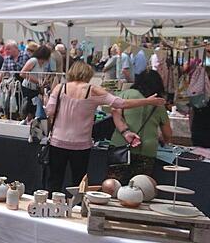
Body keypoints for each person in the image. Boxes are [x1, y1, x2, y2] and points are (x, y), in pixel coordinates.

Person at [45, 62, 165, 193]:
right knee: (79, 182)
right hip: (81, 145)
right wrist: (147, 101)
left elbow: (50, 111)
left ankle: (50, 208)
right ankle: (76, 209)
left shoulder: (59, 88)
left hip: (57, 141)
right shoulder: (93, 90)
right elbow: (120, 103)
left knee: (54, 180)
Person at [109, 70, 172, 182]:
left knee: (114, 184)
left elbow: (115, 113)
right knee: (139, 187)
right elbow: (167, 134)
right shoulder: (159, 104)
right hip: (146, 150)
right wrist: (162, 139)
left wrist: (125, 131)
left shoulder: (125, 95)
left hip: (121, 147)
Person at [19, 45, 52, 121]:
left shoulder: (43, 64)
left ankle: (30, 121)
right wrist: (37, 81)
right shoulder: (33, 61)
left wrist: (44, 81)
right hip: (28, 87)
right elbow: (22, 73)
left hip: (36, 88)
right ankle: (25, 120)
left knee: (34, 107)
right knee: (28, 106)